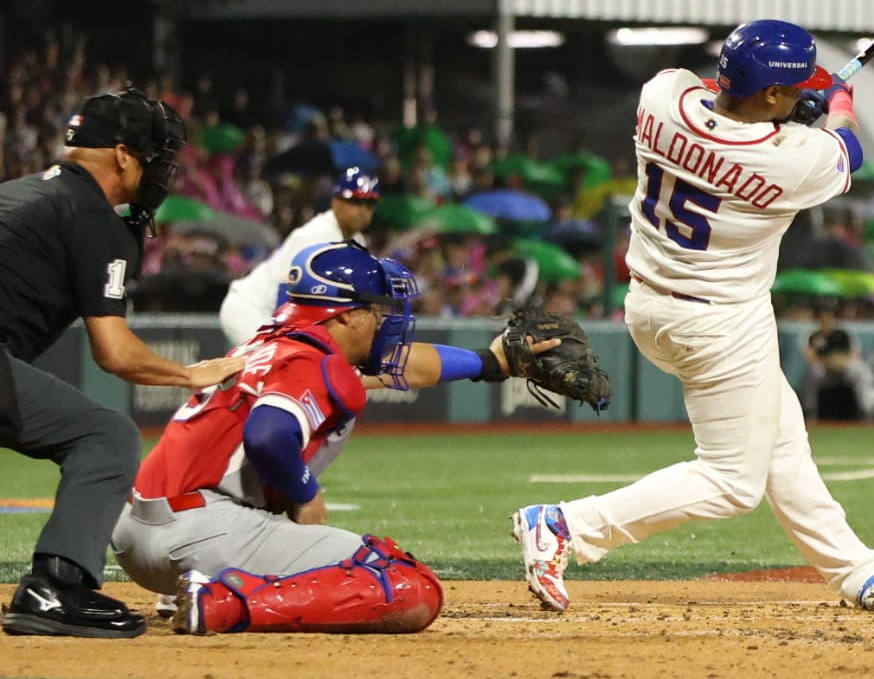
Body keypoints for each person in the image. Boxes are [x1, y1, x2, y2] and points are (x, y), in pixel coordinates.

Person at [512, 19, 874, 613]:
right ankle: (566, 524)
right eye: (792, 88)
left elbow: (719, 102)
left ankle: (859, 573)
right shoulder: (792, 161)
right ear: (771, 95)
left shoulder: (661, 96)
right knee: (731, 482)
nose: (802, 96)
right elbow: (846, 145)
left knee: (782, 439)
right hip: (719, 322)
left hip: (649, 305)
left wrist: (787, 108)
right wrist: (838, 100)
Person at [111, 239, 558, 635]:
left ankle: (190, 588)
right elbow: (268, 435)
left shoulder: (269, 345)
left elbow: (401, 367)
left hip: (137, 533)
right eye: (376, 311)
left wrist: (491, 361)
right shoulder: (309, 361)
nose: (386, 322)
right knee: (406, 584)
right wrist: (305, 493)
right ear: (345, 317)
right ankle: (224, 603)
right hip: (202, 533)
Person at [0, 88, 245, 639]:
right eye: (156, 158)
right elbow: (113, 351)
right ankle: (55, 588)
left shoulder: (20, 192)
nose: (162, 172)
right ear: (121, 155)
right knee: (105, 436)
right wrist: (189, 372)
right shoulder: (91, 214)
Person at [217, 166, 379, 346]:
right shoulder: (316, 234)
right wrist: (288, 341)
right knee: (276, 368)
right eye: (355, 202)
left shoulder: (357, 241)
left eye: (369, 204)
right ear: (335, 202)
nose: (362, 210)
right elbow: (286, 288)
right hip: (251, 309)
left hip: (270, 314)